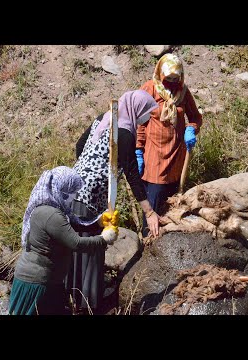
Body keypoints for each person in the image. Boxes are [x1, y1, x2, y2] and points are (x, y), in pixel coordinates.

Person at [65, 90, 160, 314]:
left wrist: (90, 167)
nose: (146, 118)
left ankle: (70, 294)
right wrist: (149, 212)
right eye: (147, 113)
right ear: (137, 110)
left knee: (74, 241)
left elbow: (80, 145)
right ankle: (88, 302)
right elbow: (132, 175)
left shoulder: (103, 117)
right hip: (93, 195)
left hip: (74, 187)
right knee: (92, 243)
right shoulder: (124, 133)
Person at [9, 166, 118, 315]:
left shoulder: (52, 209)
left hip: (50, 281)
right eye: (72, 191)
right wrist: (104, 239)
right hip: (36, 282)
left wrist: (98, 222)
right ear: (62, 190)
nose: (74, 196)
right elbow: (76, 243)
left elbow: (74, 224)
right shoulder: (50, 214)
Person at [135, 53, 202, 236]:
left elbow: (195, 117)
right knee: (153, 203)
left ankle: (168, 238)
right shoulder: (150, 89)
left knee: (172, 204)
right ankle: (148, 240)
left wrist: (191, 128)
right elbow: (140, 122)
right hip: (154, 157)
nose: (171, 82)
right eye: (168, 78)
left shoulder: (183, 92)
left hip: (176, 156)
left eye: (175, 78)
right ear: (160, 73)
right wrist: (138, 150)